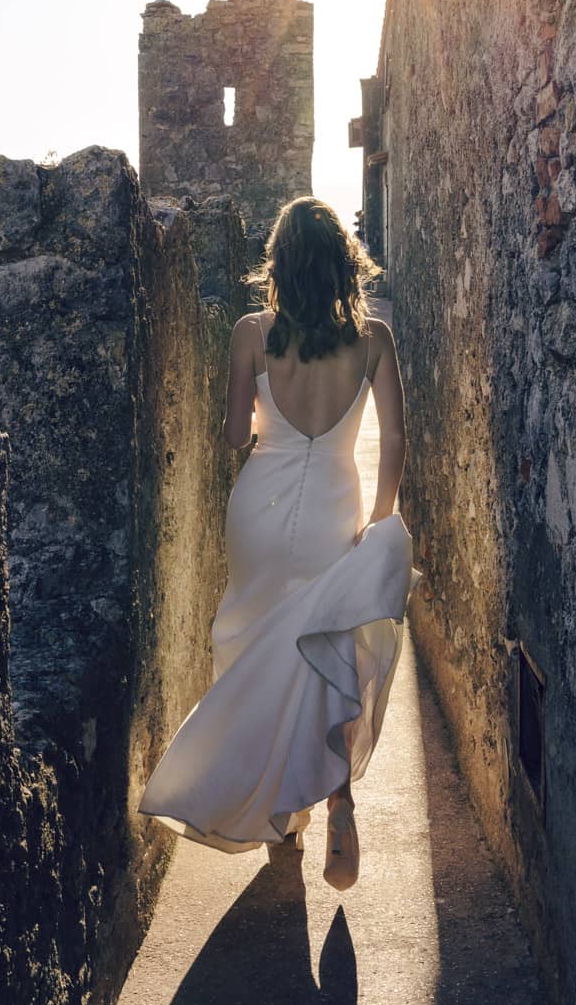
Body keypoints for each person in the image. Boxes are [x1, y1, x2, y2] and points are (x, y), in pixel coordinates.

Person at [138, 196, 418, 890]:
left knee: (254, 648)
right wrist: (377, 525)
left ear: (280, 264)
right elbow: (397, 443)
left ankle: (282, 822)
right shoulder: (375, 337)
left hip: (258, 512)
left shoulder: (248, 332)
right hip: (334, 507)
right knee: (327, 648)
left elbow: (237, 435)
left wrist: (261, 400)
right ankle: (336, 793)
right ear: (341, 266)